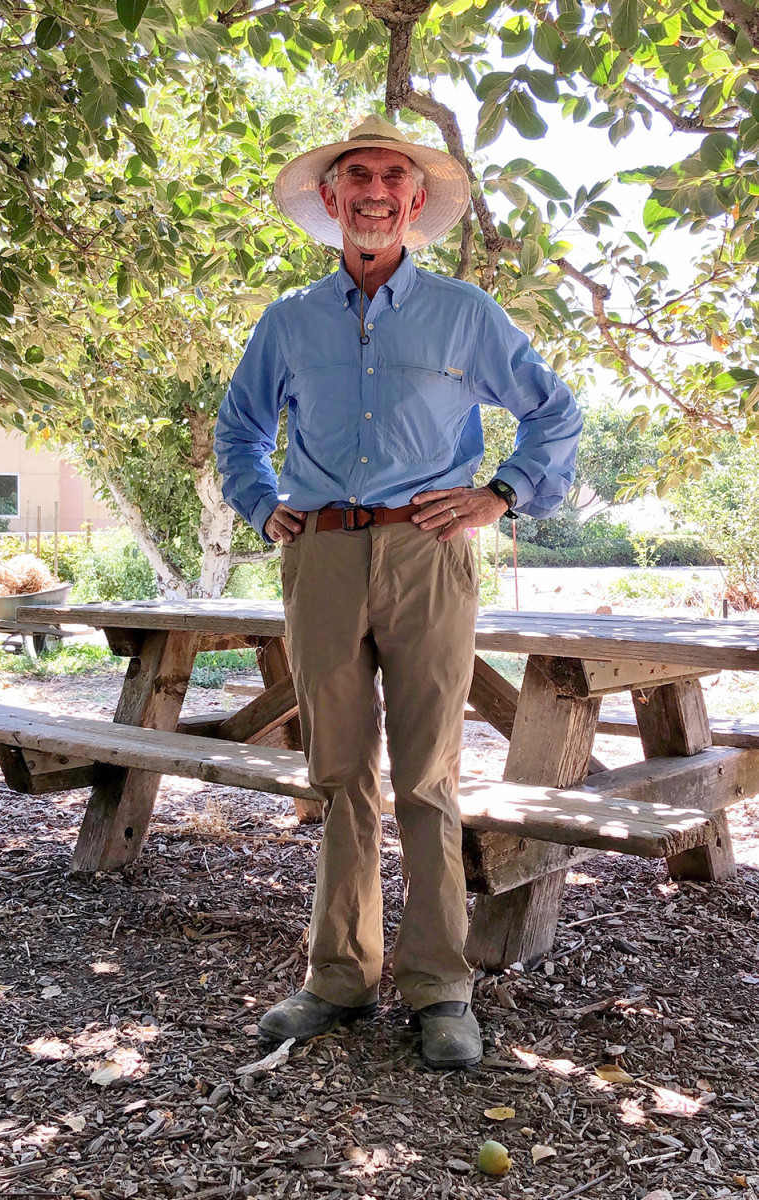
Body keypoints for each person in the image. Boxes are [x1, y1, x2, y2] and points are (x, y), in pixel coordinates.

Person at [214, 114, 582, 1070]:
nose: (375, 192)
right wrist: (263, 506)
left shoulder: (465, 313)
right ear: (330, 201)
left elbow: (554, 413)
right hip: (324, 557)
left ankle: (439, 987)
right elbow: (239, 430)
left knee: (426, 778)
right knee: (338, 776)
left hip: (429, 554)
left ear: (417, 202)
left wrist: (501, 493)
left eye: (393, 177)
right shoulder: (289, 322)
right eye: (357, 178)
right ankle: (337, 979)